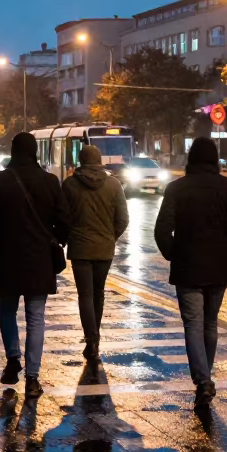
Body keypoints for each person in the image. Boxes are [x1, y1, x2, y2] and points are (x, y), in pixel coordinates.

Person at [154, 137, 227, 408]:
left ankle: (203, 381)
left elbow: (162, 229)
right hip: (218, 265)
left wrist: (174, 252)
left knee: (193, 325)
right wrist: (222, 244)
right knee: (210, 324)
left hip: (187, 267)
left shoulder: (177, 189)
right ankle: (204, 379)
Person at [0, 132, 68, 398]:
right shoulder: (51, 182)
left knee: (7, 310)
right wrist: (56, 242)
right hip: (39, 260)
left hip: (7, 258)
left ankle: (12, 359)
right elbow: (64, 221)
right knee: (35, 317)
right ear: (34, 152)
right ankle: (32, 377)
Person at [62, 144, 129, 363]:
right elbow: (122, 219)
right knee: (98, 293)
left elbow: (63, 218)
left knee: (85, 295)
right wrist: (110, 237)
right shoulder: (114, 184)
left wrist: (68, 237)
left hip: (80, 248)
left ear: (80, 160)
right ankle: (95, 339)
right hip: (104, 248)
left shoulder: (70, 185)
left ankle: (91, 339)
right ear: (100, 160)